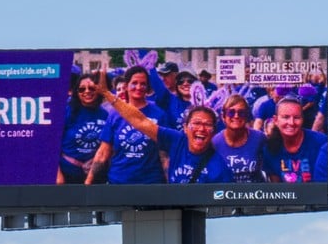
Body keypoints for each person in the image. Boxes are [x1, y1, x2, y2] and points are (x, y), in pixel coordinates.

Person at [92, 68, 234, 184]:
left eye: (207, 125)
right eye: (196, 123)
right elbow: (139, 121)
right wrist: (106, 93)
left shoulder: (220, 169)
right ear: (185, 127)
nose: (201, 129)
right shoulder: (176, 140)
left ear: (214, 131)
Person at [85, 66, 170, 184]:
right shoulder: (114, 114)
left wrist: (170, 185)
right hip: (118, 181)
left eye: (143, 84)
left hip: (151, 182)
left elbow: (164, 155)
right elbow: (103, 152)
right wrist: (88, 182)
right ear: (126, 86)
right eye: (134, 83)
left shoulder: (159, 114)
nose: (139, 87)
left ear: (147, 87)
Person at [262, 95, 328, 183]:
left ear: (302, 119)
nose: (291, 122)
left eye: (296, 118)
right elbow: (276, 186)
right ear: (275, 120)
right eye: (286, 117)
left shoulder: (321, 143)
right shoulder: (269, 148)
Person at [57, 73, 109, 184]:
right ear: (77, 92)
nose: (87, 91)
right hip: (67, 176)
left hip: (96, 176)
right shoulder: (66, 111)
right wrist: (58, 176)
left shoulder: (106, 115)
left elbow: (107, 148)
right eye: (82, 89)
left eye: (91, 88)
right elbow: (51, 145)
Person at [212, 94, 267, 182]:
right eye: (231, 112)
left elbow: (270, 168)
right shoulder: (215, 142)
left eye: (241, 113)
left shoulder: (259, 138)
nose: (236, 116)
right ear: (223, 116)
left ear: (247, 116)